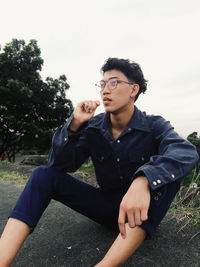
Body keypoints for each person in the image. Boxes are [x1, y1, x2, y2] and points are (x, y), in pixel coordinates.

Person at [0, 58, 198, 267]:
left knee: (167, 178)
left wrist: (143, 180)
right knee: (42, 175)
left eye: (113, 83)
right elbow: (59, 165)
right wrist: (74, 124)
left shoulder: (154, 125)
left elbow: (185, 151)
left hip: (142, 215)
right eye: (102, 84)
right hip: (107, 208)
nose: (105, 90)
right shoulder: (93, 127)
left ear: (133, 89)